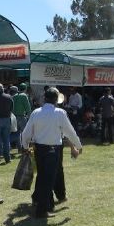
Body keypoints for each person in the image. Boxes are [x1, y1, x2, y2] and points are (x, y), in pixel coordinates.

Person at [21, 87, 82, 218]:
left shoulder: (36, 112)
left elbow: (26, 133)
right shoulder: (60, 113)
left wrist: (25, 146)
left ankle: (41, 203)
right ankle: (42, 210)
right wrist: (78, 145)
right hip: (52, 150)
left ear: (45, 98)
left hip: (39, 149)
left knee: (42, 177)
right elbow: (70, 131)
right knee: (48, 180)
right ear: (56, 99)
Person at [13, 83, 32, 152]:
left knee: (17, 134)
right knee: (25, 133)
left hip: (14, 117)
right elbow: (27, 107)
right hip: (21, 116)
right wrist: (30, 116)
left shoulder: (14, 96)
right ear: (25, 89)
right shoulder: (24, 96)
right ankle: (25, 147)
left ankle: (19, 148)